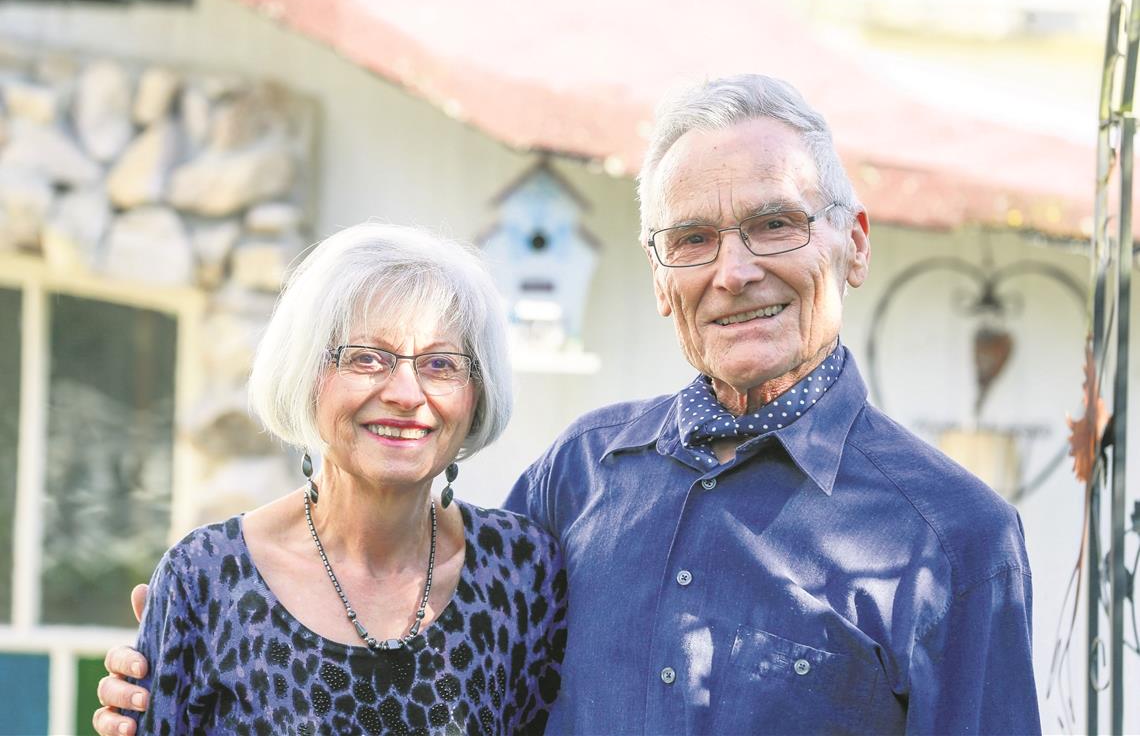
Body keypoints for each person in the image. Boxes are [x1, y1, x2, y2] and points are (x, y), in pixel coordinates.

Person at [96, 74, 1038, 734]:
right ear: (661, 277)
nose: (735, 271)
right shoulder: (583, 475)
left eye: (774, 224)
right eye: (694, 239)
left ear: (854, 245)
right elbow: (425, 651)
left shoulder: (955, 539)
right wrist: (210, 623)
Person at [95, 223, 565, 735]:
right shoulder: (204, 580)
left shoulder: (524, 572)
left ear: (476, 393)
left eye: (440, 363)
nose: (406, 393)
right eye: (367, 358)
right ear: (305, 375)